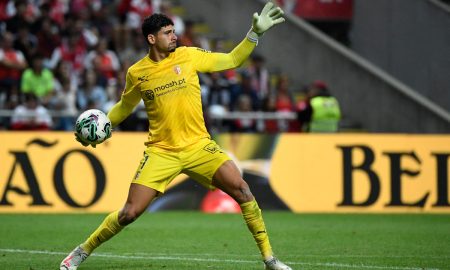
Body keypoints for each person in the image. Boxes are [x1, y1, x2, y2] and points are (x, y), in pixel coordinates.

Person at [60, 3, 292, 270]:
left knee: (243, 190)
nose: (174, 36)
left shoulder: (189, 56)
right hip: (162, 152)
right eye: (168, 33)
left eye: (174, 31)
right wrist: (102, 126)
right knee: (129, 213)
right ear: (152, 38)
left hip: (198, 146)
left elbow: (231, 60)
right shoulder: (137, 73)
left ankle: (270, 260)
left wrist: (254, 34)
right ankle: (81, 251)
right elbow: (125, 106)